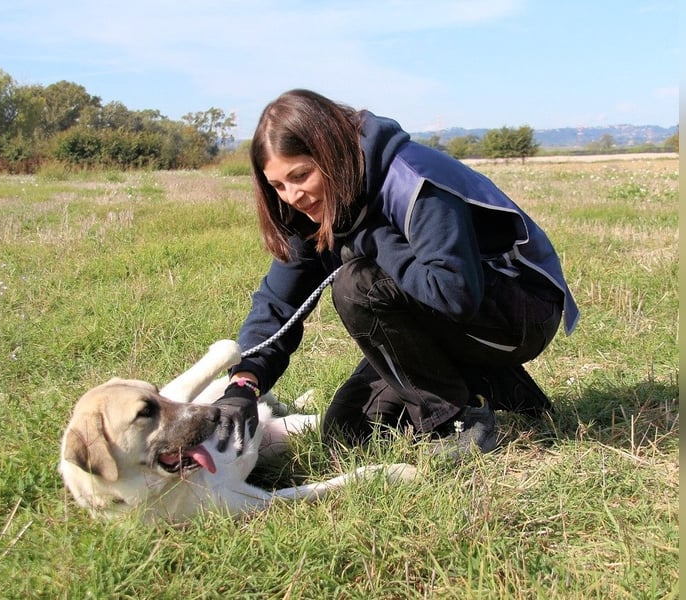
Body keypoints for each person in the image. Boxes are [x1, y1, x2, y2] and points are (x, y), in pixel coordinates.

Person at [212, 89, 579, 458]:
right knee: (347, 432)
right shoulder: (311, 208)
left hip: (522, 312)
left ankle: (457, 421)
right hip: (452, 317)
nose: (292, 195)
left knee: (357, 286)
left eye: (301, 175)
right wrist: (244, 383)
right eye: (277, 185)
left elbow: (454, 293)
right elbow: (278, 305)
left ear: (329, 153)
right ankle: (491, 381)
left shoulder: (414, 179)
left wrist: (372, 238)